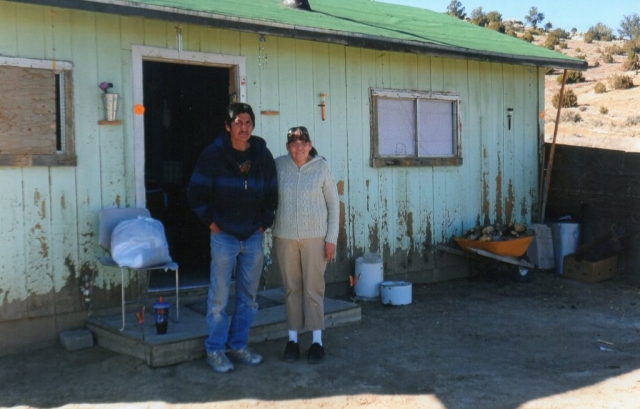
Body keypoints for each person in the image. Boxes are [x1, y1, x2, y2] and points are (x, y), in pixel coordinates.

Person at [187, 102, 278, 373]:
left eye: (248, 122)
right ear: (228, 126)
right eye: (238, 122)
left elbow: (272, 192)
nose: (244, 127)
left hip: (253, 236)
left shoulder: (262, 155)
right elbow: (195, 193)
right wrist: (213, 224)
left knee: (248, 297)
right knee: (219, 299)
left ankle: (238, 345)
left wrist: (265, 223)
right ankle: (215, 350)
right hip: (224, 236)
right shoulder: (212, 155)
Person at [272, 126, 340, 364]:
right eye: (293, 142)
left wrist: (331, 239)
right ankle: (292, 341)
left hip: (315, 239)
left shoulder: (321, 167)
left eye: (303, 141)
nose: (298, 146)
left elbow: (334, 205)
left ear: (310, 145)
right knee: (292, 289)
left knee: (313, 289)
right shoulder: (279, 165)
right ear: (288, 147)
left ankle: (316, 342)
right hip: (285, 238)